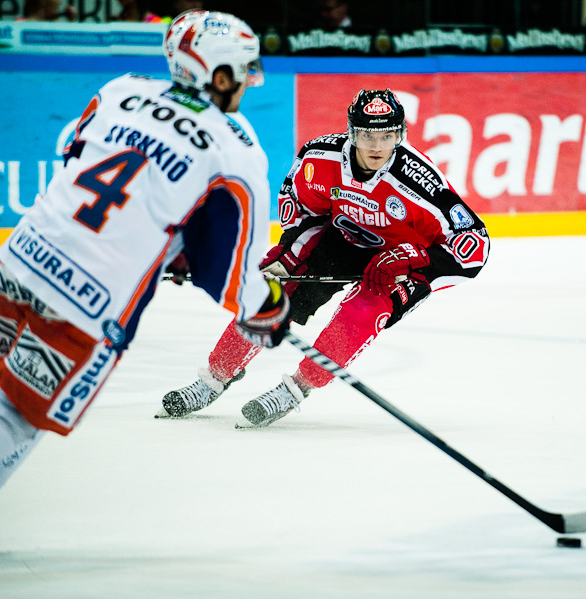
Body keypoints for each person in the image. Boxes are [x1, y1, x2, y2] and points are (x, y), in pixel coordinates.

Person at [0, 10, 288, 555]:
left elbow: (77, 162)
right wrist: (268, 311)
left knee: (20, 399)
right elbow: (235, 279)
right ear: (219, 74)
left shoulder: (120, 90)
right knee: (14, 414)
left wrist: (166, 243)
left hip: (19, 262)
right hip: (83, 303)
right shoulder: (235, 150)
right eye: (241, 69)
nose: (246, 79)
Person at [157, 89, 490, 428]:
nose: (377, 147)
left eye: (387, 136)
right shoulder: (319, 158)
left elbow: (474, 245)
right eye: (367, 135)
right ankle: (214, 378)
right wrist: (289, 258)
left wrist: (410, 258)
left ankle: (295, 390)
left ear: (400, 134)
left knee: (363, 310)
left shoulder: (419, 182)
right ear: (352, 132)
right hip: (340, 238)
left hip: (400, 260)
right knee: (270, 288)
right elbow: (303, 211)